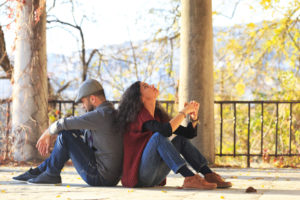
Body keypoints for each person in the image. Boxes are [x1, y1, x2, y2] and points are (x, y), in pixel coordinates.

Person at [117, 81, 232, 189]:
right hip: (139, 178)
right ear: (140, 98)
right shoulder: (138, 116)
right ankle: (190, 178)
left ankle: (208, 174)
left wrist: (194, 118)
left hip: (155, 177)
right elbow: (166, 130)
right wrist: (184, 112)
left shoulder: (158, 116)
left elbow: (188, 133)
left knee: (179, 139)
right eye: (146, 86)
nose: (152, 85)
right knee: (158, 137)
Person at [13, 79, 123, 186]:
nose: (83, 106)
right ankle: (40, 171)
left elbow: (66, 122)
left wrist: (48, 132)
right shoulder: (109, 114)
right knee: (67, 132)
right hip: (110, 177)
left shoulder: (100, 115)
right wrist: (55, 134)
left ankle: (51, 174)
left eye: (83, 101)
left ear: (93, 99)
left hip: (100, 177)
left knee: (65, 136)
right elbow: (74, 127)